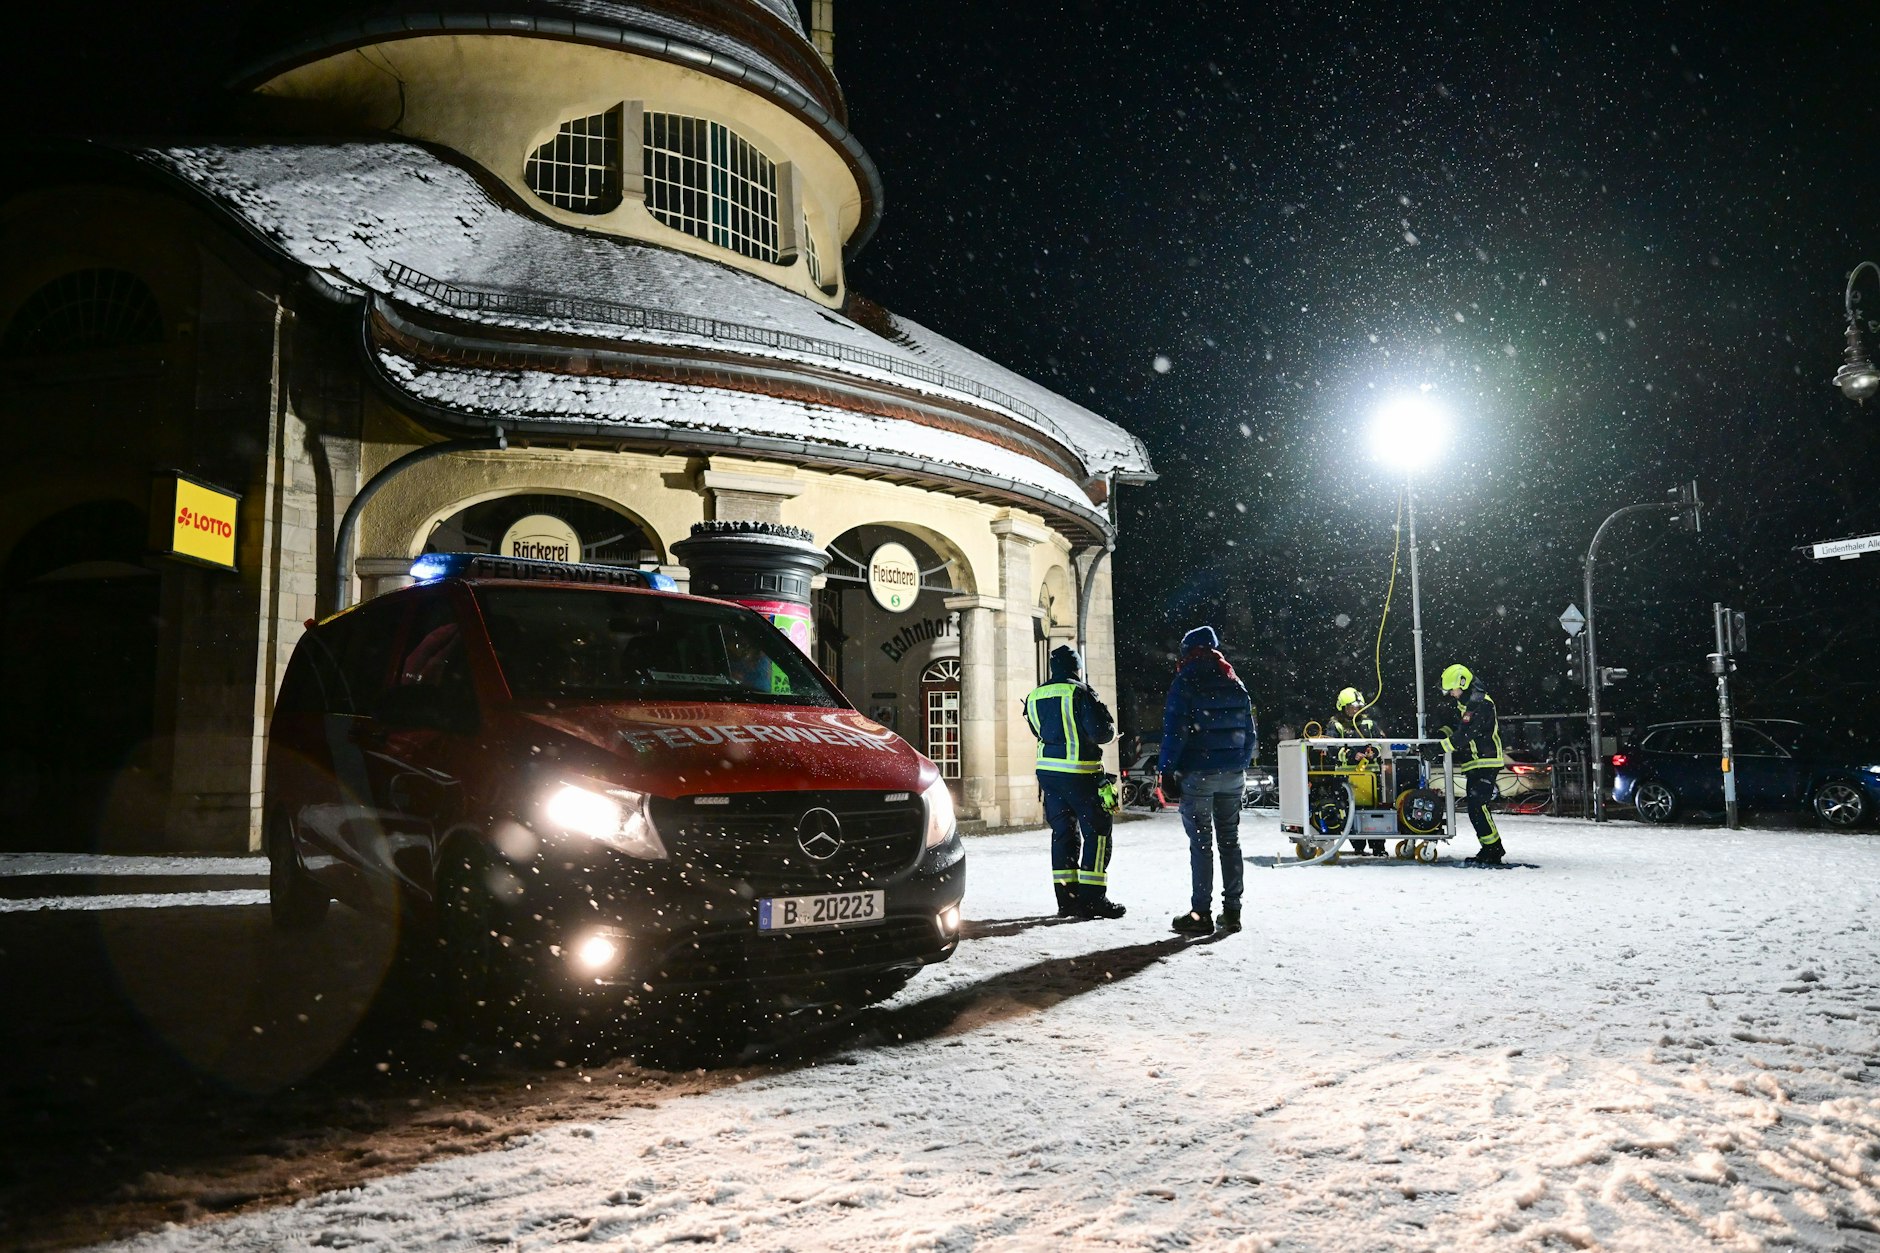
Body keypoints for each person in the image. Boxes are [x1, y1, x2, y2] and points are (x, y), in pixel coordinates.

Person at [1160, 625, 1256, 935]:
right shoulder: (1234, 681)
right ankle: (1233, 912)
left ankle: (1200, 913)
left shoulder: (1185, 681)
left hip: (1198, 775)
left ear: (1188, 651)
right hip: (1232, 776)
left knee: (1201, 845)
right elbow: (1250, 734)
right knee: (1230, 841)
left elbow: (1175, 732)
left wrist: (1166, 770)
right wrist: (1237, 762)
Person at [1024, 645, 1125, 918]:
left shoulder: (1035, 695)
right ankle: (1092, 900)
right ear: (1076, 667)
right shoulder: (1079, 692)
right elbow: (1101, 732)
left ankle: (1067, 900)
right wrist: (1109, 732)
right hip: (1081, 773)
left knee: (1063, 835)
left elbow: (1038, 729)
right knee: (1097, 832)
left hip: (1048, 774)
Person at [1433, 663, 1508, 864]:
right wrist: (1440, 735)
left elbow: (1466, 734)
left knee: (1478, 806)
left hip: (1486, 761)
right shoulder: (1466, 704)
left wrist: (1440, 747)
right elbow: (1457, 729)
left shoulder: (1480, 703)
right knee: (1475, 808)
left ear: (1463, 684)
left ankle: (1494, 849)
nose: (1451, 694)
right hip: (1475, 763)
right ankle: (1489, 848)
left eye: (1452, 690)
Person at [1328, 686, 1387, 856]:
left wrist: (1372, 752)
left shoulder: (1368, 723)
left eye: (1357, 708)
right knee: (1349, 810)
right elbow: (1332, 748)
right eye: (1351, 707)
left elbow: (1379, 741)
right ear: (1342, 707)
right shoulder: (1336, 725)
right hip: (1346, 776)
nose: (1355, 711)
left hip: (1370, 775)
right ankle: (1358, 845)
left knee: (1374, 810)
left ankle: (1378, 846)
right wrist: (1351, 755)